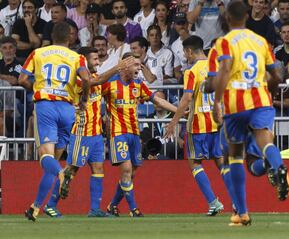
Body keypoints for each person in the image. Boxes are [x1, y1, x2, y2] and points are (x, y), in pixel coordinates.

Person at [212, 0, 289, 226]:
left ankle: (243, 213)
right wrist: (271, 92)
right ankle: (278, 166)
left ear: (227, 19)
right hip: (261, 99)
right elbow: (276, 74)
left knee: (235, 155)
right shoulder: (261, 41)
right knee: (265, 141)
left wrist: (217, 101)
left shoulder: (224, 42)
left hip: (236, 104)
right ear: (247, 16)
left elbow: (225, 70)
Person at [41, 47, 134, 218]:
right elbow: (98, 81)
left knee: (98, 169)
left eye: (98, 59)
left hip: (96, 135)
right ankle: (50, 204)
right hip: (81, 133)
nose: (98, 62)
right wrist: (118, 67)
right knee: (71, 171)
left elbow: (107, 85)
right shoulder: (77, 80)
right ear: (83, 61)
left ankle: (94, 209)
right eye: (94, 59)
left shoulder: (96, 79)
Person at [19, 22, 91, 222]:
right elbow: (87, 79)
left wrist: (37, 88)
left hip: (46, 106)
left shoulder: (39, 53)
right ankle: (34, 208)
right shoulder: (78, 57)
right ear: (70, 37)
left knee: (45, 157)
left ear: (51, 36)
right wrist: (84, 100)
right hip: (68, 110)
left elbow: (22, 80)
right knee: (51, 162)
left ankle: (62, 174)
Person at [103, 52, 177, 217]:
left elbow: (158, 100)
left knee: (131, 173)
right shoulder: (110, 84)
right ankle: (133, 209)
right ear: (125, 65)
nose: (139, 68)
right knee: (127, 170)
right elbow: (93, 96)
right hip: (118, 133)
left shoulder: (138, 85)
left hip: (134, 134)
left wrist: (179, 111)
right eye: (136, 65)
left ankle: (112, 206)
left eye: (139, 65)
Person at [165, 35, 226, 216]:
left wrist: (173, 122)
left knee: (195, 163)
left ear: (190, 51)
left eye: (185, 52)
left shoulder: (191, 71)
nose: (185, 56)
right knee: (221, 162)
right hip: (216, 123)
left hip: (198, 124)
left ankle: (213, 202)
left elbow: (187, 98)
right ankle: (238, 202)